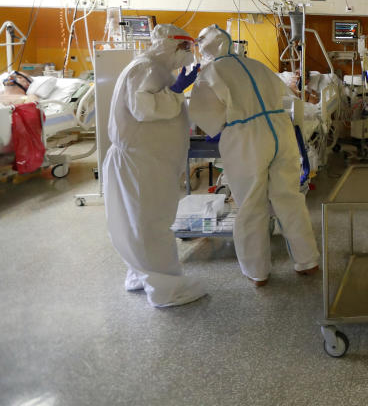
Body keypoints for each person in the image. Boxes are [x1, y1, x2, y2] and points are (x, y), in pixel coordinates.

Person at [188, 25, 320, 286]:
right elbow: (284, 93)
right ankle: (308, 261)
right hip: (280, 131)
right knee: (290, 198)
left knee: (251, 205)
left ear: (204, 47)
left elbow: (204, 116)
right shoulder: (256, 65)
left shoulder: (211, 72)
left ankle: (258, 272)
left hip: (247, 137)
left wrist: (222, 128)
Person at [102, 24, 206, 307]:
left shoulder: (152, 68)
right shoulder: (146, 68)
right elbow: (143, 109)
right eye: (185, 49)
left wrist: (175, 89)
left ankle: (141, 275)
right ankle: (166, 289)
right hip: (142, 162)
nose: (188, 55)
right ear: (171, 45)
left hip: (146, 160)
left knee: (139, 222)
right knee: (152, 224)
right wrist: (176, 91)